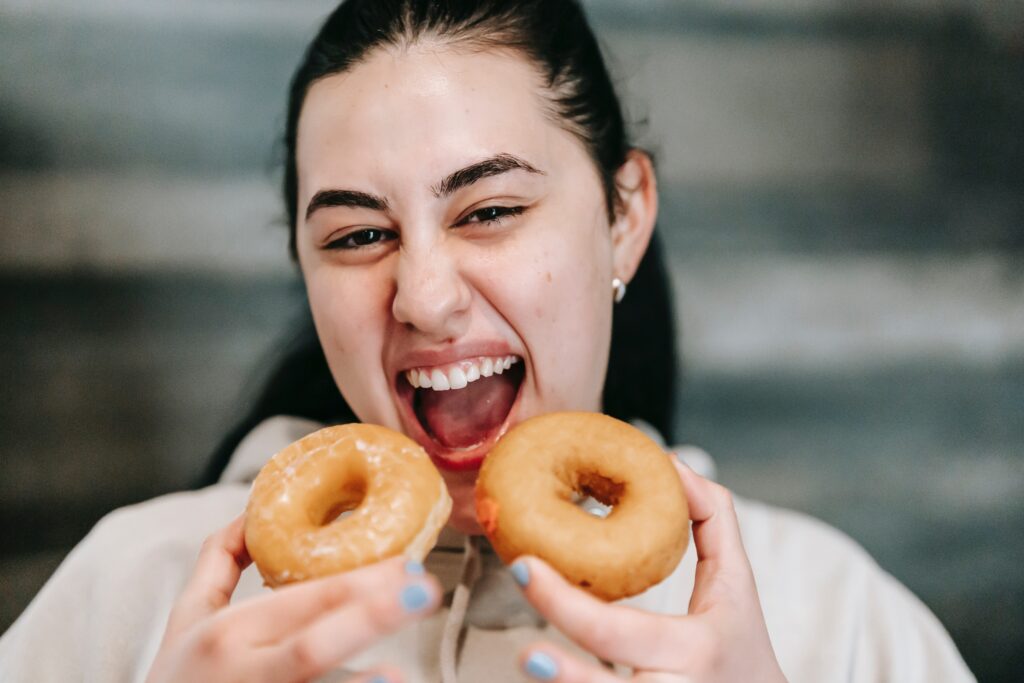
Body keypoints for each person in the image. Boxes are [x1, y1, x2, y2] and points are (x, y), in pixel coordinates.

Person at [0, 1, 975, 681]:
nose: (423, 296)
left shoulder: (833, 616)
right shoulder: (132, 591)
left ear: (623, 213)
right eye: (356, 235)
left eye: (490, 208)